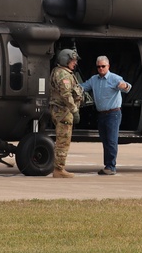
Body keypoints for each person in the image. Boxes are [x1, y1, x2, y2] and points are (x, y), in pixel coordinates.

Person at [80, 55, 131, 176]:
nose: (101, 69)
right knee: (105, 140)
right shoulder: (94, 79)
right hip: (102, 114)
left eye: (103, 66)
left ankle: (111, 166)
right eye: (98, 67)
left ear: (108, 66)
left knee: (112, 140)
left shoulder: (114, 78)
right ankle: (107, 165)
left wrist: (124, 86)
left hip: (113, 113)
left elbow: (127, 87)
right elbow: (83, 87)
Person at [49, 48, 84, 178]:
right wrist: (74, 110)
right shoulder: (63, 75)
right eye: (73, 60)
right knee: (63, 141)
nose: (74, 63)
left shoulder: (60, 72)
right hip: (64, 112)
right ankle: (59, 169)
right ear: (66, 60)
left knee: (61, 140)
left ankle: (59, 167)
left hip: (60, 112)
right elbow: (66, 94)